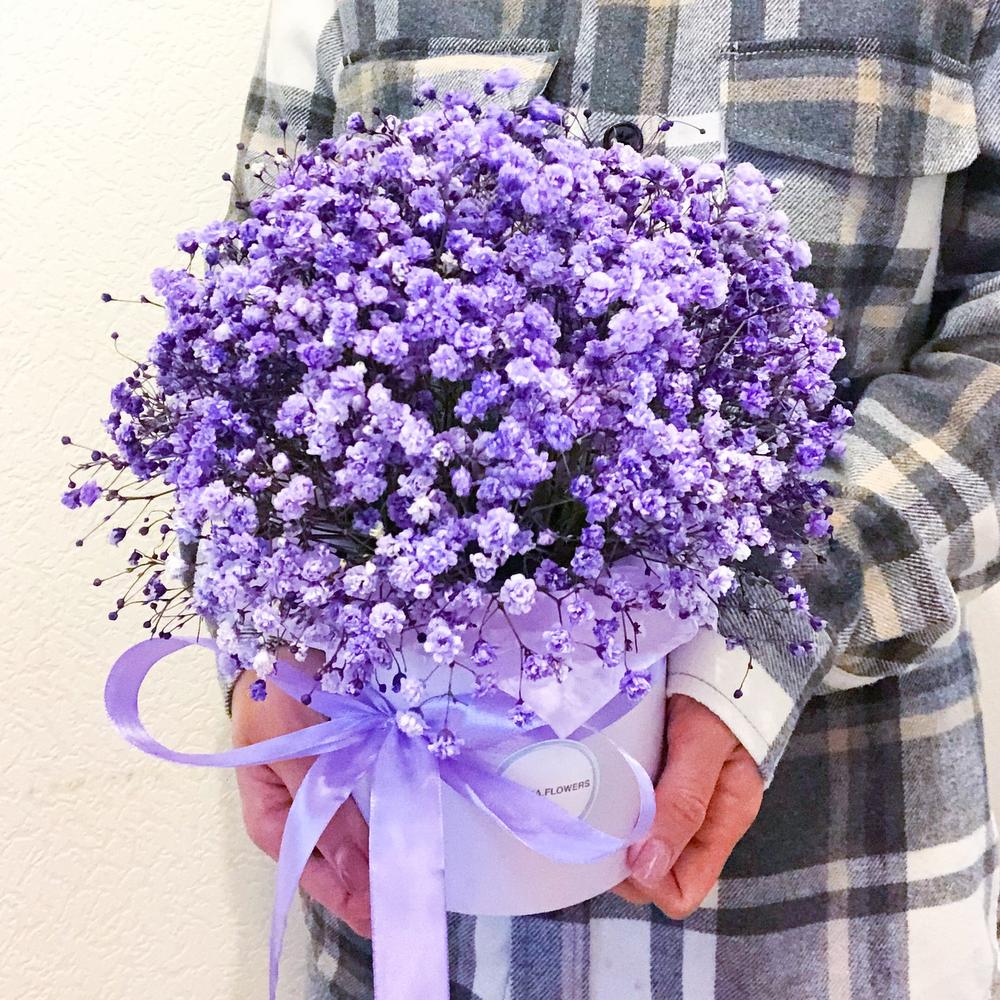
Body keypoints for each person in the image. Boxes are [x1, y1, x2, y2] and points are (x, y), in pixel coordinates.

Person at [216, 1, 1000, 997]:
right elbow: (249, 317)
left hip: (835, 897)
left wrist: (772, 624)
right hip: (421, 905)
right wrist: (268, 647)